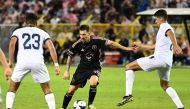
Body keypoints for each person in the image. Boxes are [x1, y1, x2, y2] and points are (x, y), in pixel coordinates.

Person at [117, 9, 185, 109]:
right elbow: (154, 46)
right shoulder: (163, 31)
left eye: (156, 19)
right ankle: (180, 107)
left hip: (159, 59)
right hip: (167, 62)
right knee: (165, 85)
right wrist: (141, 46)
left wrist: (175, 45)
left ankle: (128, 95)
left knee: (128, 66)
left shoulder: (165, 26)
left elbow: (170, 32)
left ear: (161, 18)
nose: (155, 21)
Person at [61, 24, 134, 109]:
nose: (82, 36)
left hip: (94, 67)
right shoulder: (77, 44)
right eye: (80, 34)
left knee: (93, 81)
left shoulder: (97, 40)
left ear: (89, 33)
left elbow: (112, 43)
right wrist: (67, 71)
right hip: (82, 68)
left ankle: (90, 104)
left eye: (84, 34)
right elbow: (70, 56)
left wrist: (126, 48)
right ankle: (63, 107)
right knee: (71, 90)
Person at [6, 13, 60, 109]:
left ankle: (8, 108)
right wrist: (56, 65)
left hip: (22, 62)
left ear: (25, 21)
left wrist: (10, 61)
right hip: (37, 61)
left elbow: (11, 44)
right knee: (47, 88)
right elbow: (51, 47)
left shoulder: (18, 31)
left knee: (12, 87)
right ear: (37, 22)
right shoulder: (42, 32)